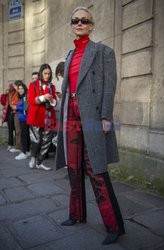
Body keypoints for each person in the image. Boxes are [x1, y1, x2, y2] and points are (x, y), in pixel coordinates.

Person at [55, 7, 125, 245]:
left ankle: (114, 226)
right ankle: (76, 215)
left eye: (84, 20)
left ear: (91, 25)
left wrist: (106, 116)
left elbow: (109, 85)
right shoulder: (70, 54)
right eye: (75, 20)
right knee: (73, 168)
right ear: (72, 25)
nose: (79, 23)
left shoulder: (103, 51)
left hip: (93, 116)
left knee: (96, 168)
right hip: (71, 116)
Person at [27, 64, 57, 170]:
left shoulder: (52, 86)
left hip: (49, 117)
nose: (47, 76)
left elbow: (54, 102)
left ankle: (40, 162)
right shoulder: (33, 84)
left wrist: (52, 100)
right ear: (41, 73)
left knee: (47, 140)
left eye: (49, 74)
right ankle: (33, 158)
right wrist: (43, 97)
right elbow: (31, 100)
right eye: (45, 73)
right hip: (36, 116)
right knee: (36, 140)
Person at [15, 82, 30, 160]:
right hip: (23, 119)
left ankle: (24, 153)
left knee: (24, 136)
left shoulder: (25, 97)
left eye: (22, 88)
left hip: (25, 119)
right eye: (19, 89)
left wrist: (17, 108)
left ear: (24, 89)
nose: (20, 90)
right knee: (25, 136)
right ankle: (26, 151)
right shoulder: (22, 97)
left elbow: (26, 108)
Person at [0, 83, 15, 151]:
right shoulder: (7, 95)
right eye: (9, 87)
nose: (10, 88)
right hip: (9, 115)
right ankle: (10, 144)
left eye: (11, 87)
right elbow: (2, 102)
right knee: (10, 130)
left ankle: (18, 145)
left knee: (18, 131)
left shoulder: (16, 94)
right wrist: (5, 94)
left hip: (16, 114)